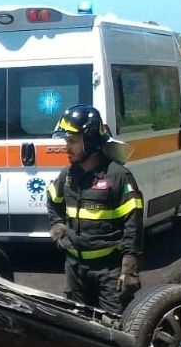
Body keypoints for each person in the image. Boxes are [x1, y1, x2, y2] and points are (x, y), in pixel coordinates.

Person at [46, 104, 144, 313]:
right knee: (77, 327)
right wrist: (58, 228)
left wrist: (129, 269)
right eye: (66, 141)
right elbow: (52, 198)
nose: (66, 147)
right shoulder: (69, 175)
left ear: (90, 141)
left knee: (113, 330)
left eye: (72, 141)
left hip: (109, 271)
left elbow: (133, 225)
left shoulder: (118, 176)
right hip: (75, 269)